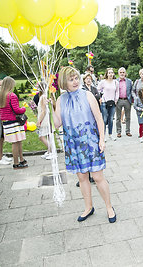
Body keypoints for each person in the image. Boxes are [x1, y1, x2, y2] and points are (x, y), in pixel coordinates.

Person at [52, 66, 116, 223]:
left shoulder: (87, 95)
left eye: (76, 78)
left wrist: (102, 139)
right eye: (71, 79)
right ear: (63, 82)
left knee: (97, 176)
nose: (75, 81)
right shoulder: (61, 100)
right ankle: (88, 207)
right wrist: (46, 108)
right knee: (82, 177)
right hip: (73, 145)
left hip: (91, 142)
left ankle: (109, 207)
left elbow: (99, 119)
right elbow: (57, 123)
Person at [0, 77, 28, 169]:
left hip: (6, 123)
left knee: (17, 142)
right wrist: (24, 109)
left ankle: (21, 160)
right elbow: (17, 110)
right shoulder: (12, 95)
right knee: (16, 142)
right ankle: (16, 163)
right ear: (10, 85)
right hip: (14, 122)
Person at [98, 68, 119, 141]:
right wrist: (100, 98)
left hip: (112, 102)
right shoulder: (103, 82)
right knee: (104, 119)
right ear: (106, 74)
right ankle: (103, 135)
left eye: (112, 73)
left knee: (111, 119)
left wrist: (116, 100)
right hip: (104, 102)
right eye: (109, 73)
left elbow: (117, 92)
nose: (110, 74)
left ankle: (110, 134)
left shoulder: (115, 82)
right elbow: (98, 90)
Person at [115, 67, 133, 138]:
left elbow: (131, 90)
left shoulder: (129, 81)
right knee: (118, 117)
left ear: (125, 73)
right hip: (118, 100)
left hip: (127, 100)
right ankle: (118, 132)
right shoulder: (116, 81)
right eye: (121, 72)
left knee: (128, 117)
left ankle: (128, 131)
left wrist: (131, 99)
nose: (122, 74)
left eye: (123, 72)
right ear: (118, 73)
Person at [36, 82, 52, 160]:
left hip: (44, 118)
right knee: (48, 135)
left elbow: (44, 111)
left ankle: (51, 151)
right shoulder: (45, 96)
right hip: (46, 117)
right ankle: (49, 151)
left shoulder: (43, 97)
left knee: (41, 136)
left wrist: (39, 121)